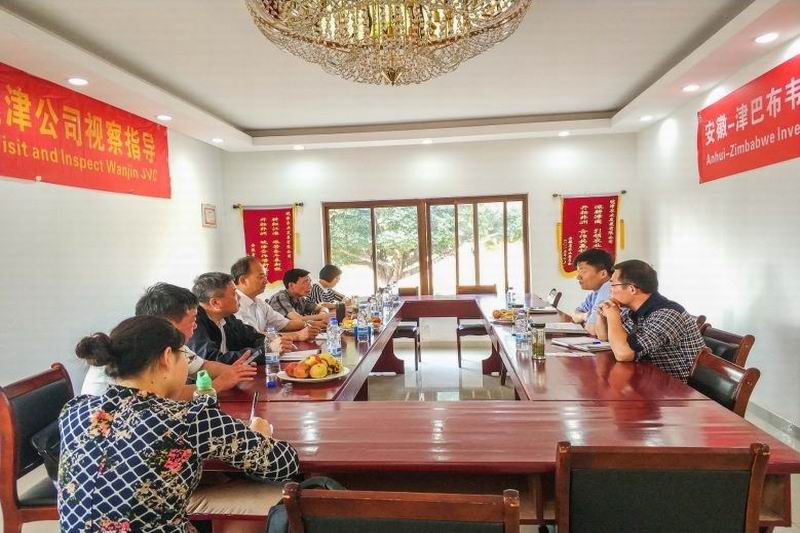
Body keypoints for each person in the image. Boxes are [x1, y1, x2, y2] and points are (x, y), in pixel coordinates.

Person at [60, 315, 299, 532]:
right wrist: (261, 434)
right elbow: (284, 464)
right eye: (185, 355)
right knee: (284, 494)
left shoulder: (74, 409)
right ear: (167, 357)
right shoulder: (188, 418)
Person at [81, 283, 256, 399]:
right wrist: (218, 384)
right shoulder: (140, 350)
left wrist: (233, 372)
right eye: (193, 320)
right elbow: (170, 396)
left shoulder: (166, 343)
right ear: (168, 324)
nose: (196, 326)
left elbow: (201, 366)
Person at [595, 260, 704, 382]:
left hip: (676, 387)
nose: (610, 290)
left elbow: (623, 354)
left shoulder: (667, 314)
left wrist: (612, 315)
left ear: (632, 289)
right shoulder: (633, 310)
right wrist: (601, 314)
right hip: (648, 378)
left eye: (613, 285)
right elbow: (604, 337)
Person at [188, 272, 293, 364]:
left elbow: (252, 338)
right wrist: (267, 350)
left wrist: (274, 341)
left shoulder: (227, 317)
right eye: (234, 293)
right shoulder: (193, 324)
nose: (239, 297)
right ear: (215, 303)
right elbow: (213, 361)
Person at [231, 256, 322, 340]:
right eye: (261, 277)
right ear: (243, 280)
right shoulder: (234, 305)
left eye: (265, 276)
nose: (266, 281)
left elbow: (285, 324)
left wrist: (309, 325)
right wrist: (297, 335)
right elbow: (254, 336)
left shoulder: (259, 303)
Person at [570, 248, 614, 336]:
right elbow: (575, 315)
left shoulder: (608, 288)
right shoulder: (595, 291)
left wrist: (585, 320)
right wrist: (585, 316)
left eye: (583, 272)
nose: (578, 277)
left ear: (603, 274)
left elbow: (592, 330)